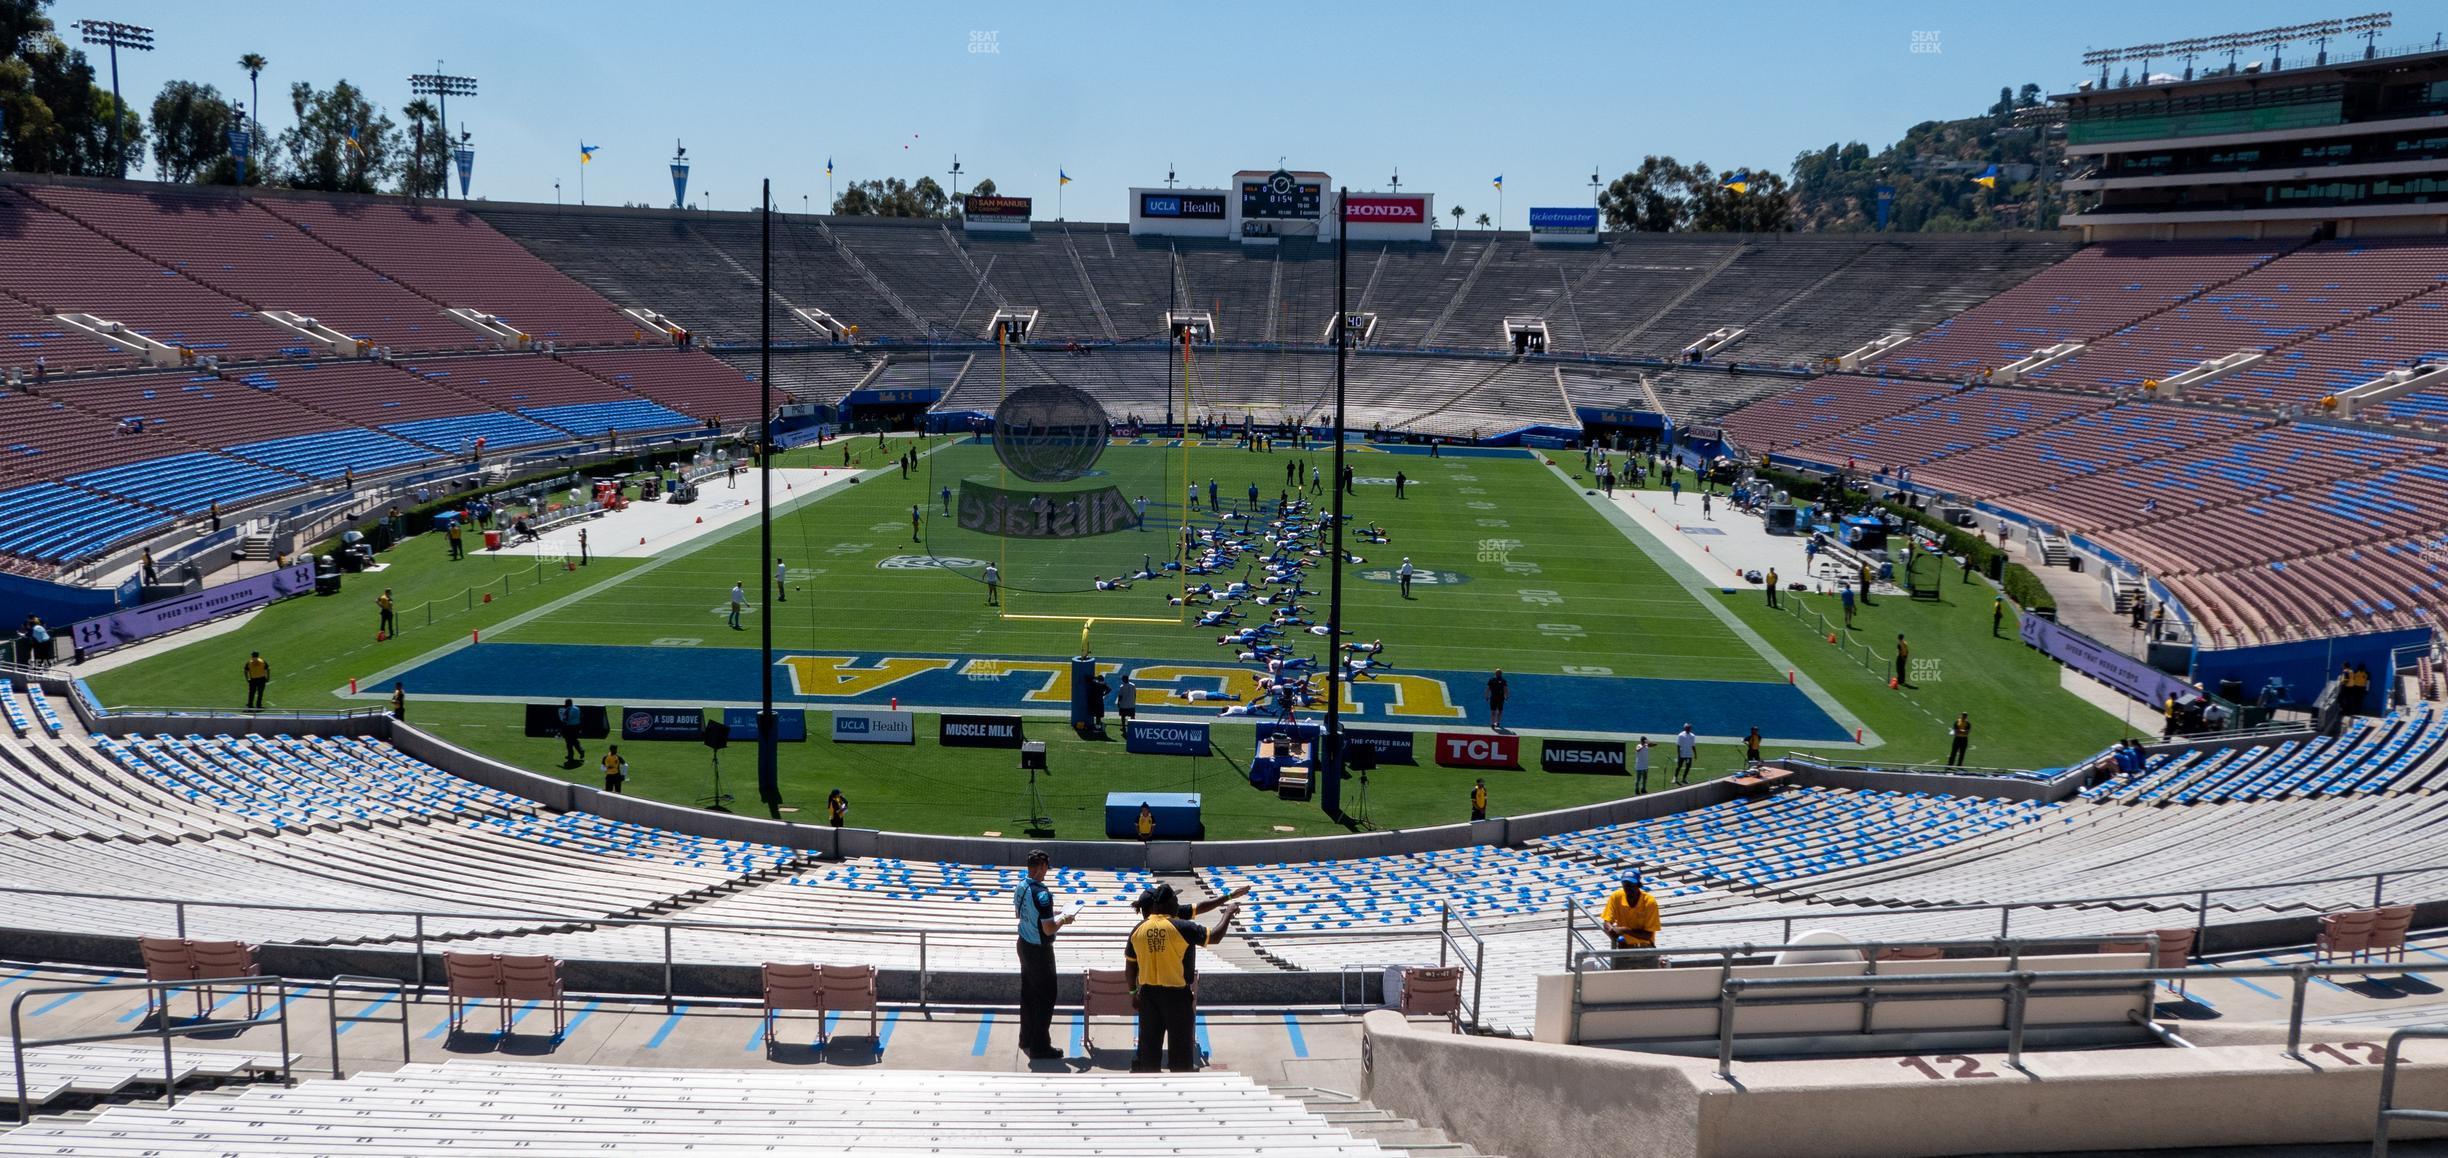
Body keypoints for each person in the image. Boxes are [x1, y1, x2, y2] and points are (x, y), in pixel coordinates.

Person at [1125, 883, 1238, 1073]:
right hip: (1176, 997)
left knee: (1149, 1054)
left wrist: (1133, 992)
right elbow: (1215, 937)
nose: (1178, 904)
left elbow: (1130, 967)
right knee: (1181, 1056)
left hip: (1148, 998)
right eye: (1175, 900)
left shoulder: (1138, 930)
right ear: (1164, 904)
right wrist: (1228, 913)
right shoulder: (1181, 927)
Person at [1015, 850, 1076, 1061]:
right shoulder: (1042, 893)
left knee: (1028, 995)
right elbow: (1049, 929)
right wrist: (1063, 920)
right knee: (1046, 997)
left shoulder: (1022, 886)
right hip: (1039, 950)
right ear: (1041, 866)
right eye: (1047, 866)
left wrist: (1053, 912)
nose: (1047, 870)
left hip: (1023, 943)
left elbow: (1021, 914)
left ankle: (1026, 1039)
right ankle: (1040, 1046)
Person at [1600, 871, 1662, 969]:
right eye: (1625, 884)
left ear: (1638, 885)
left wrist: (1624, 930)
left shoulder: (1649, 902)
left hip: (1645, 949)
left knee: (1649, 982)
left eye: (1631, 884)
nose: (1628, 888)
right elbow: (1606, 921)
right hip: (1624, 950)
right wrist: (1613, 931)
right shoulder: (1616, 896)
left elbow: (1648, 934)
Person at [558, 698, 585, 765]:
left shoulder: (567, 710)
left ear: (567, 703)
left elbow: (565, 720)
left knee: (569, 743)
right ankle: (581, 750)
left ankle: (571, 757)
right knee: (574, 740)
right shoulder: (577, 708)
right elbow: (581, 716)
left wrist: (561, 730)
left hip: (569, 728)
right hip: (577, 727)